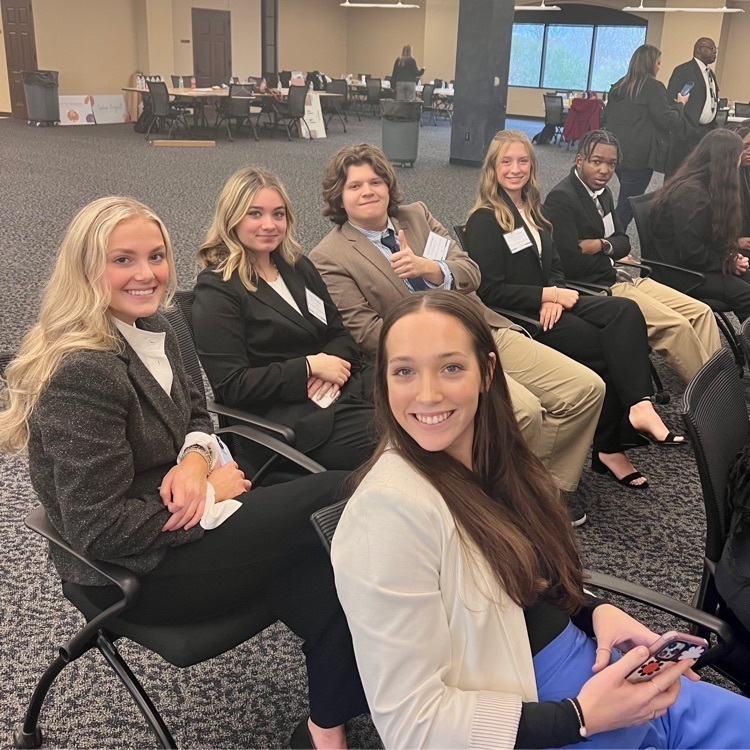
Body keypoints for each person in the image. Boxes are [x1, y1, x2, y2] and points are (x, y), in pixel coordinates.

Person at [0, 197, 367, 750]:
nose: (146, 274)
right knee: (339, 495)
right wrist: (214, 494)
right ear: (85, 268)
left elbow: (198, 412)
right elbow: (100, 531)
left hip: (188, 526)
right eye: (122, 260)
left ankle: (326, 728)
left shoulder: (162, 326)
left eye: (155, 256)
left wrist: (196, 461)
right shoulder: (82, 371)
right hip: (135, 570)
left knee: (328, 557)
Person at [332, 290, 750, 749]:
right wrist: (581, 718)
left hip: (592, 670)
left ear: (487, 372)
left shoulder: (491, 461)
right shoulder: (385, 517)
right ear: (384, 381)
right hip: (537, 718)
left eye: (451, 367)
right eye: (404, 371)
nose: (427, 393)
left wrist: (593, 610)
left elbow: (518, 576)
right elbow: (412, 726)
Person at [311, 143, 606, 524]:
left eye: (376, 181)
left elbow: (471, 272)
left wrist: (431, 268)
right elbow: (369, 333)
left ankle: (544, 483)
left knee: (586, 389)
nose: (368, 191)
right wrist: (435, 347)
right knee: (524, 411)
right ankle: (498, 497)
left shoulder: (415, 216)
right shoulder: (330, 256)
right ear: (339, 197)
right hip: (429, 359)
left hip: (480, 327)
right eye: (355, 186)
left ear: (388, 185)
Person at [465, 130, 686, 491]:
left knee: (626, 313)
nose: (515, 168)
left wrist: (554, 291)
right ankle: (611, 448)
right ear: (492, 167)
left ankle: (638, 404)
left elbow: (554, 265)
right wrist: (545, 296)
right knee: (609, 348)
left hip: (555, 299)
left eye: (523, 161)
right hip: (523, 315)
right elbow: (489, 290)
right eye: (506, 161)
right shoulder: (486, 219)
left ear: (532, 167)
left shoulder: (534, 210)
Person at [194, 166, 376, 473]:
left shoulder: (296, 266)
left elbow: (340, 333)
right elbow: (232, 385)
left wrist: (327, 366)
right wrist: (308, 367)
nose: (269, 225)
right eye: (255, 214)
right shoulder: (218, 288)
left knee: (428, 406)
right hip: (291, 421)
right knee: (401, 441)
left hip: (342, 388)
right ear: (232, 218)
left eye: (278, 214)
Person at [544, 129, 721, 384]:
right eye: (597, 161)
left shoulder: (602, 193)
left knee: (701, 312)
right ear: (579, 159)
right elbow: (571, 264)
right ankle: (711, 396)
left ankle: (716, 380)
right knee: (677, 326)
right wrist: (611, 251)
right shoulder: (563, 198)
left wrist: (601, 245)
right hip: (599, 287)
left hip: (619, 275)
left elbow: (623, 242)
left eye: (611, 164)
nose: (605, 170)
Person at [651, 129, 750, 322]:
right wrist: (727, 262)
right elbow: (691, 253)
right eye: (739, 156)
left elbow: (707, 238)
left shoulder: (708, 184)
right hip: (679, 271)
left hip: (696, 262)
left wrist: (730, 255)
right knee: (746, 295)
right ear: (728, 161)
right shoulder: (692, 195)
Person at [604, 44, 688, 229]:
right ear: (651, 64)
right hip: (639, 156)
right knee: (628, 203)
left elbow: (606, 116)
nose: (659, 67)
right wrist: (681, 105)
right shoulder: (653, 86)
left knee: (625, 199)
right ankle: (611, 241)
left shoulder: (619, 85)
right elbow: (668, 121)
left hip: (616, 152)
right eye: (658, 63)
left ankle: (611, 237)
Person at [666, 38, 720, 175]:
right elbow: (671, 99)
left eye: (715, 48)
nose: (715, 52)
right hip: (688, 132)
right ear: (699, 49)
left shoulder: (710, 74)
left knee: (697, 173)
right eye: (711, 48)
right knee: (679, 173)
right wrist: (685, 126)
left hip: (706, 131)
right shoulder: (683, 70)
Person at [727, 123, 750, 249]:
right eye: (745, 146)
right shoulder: (721, 180)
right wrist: (735, 243)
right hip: (728, 249)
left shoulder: (745, 172)